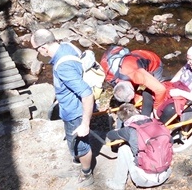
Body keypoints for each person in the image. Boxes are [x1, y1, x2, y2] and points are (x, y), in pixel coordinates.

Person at [31, 29, 94, 188]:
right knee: (73, 142)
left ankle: (87, 174)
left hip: (75, 113)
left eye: (37, 49)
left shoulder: (63, 66)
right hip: (68, 109)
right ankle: (77, 164)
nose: (38, 53)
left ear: (44, 48)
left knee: (82, 146)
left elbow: (87, 93)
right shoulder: (66, 46)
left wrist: (85, 124)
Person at [106, 103, 173, 190]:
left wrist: (118, 130)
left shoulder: (129, 129)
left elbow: (110, 135)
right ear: (137, 111)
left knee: (124, 148)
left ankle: (118, 184)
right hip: (165, 173)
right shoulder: (156, 122)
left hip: (144, 180)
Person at [103, 47, 166, 116]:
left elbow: (161, 89)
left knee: (155, 91)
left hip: (152, 61)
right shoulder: (110, 77)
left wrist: (156, 108)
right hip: (130, 59)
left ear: (132, 88)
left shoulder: (137, 75)